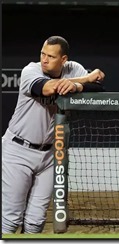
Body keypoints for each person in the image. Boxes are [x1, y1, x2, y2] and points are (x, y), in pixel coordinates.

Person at [2, 36, 105, 234]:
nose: (44, 59)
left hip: (51, 155)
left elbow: (99, 86)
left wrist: (79, 86)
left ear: (63, 59)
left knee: (36, 220)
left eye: (50, 56)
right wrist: (85, 79)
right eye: (42, 53)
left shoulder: (73, 68)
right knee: (10, 217)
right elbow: (49, 88)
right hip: (18, 150)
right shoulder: (30, 70)